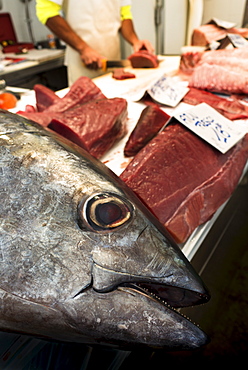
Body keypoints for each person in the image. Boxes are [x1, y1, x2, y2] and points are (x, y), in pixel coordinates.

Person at [36, 0, 155, 84]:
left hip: (112, 63)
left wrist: (135, 41)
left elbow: (124, 15)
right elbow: (46, 11)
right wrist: (83, 48)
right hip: (82, 64)